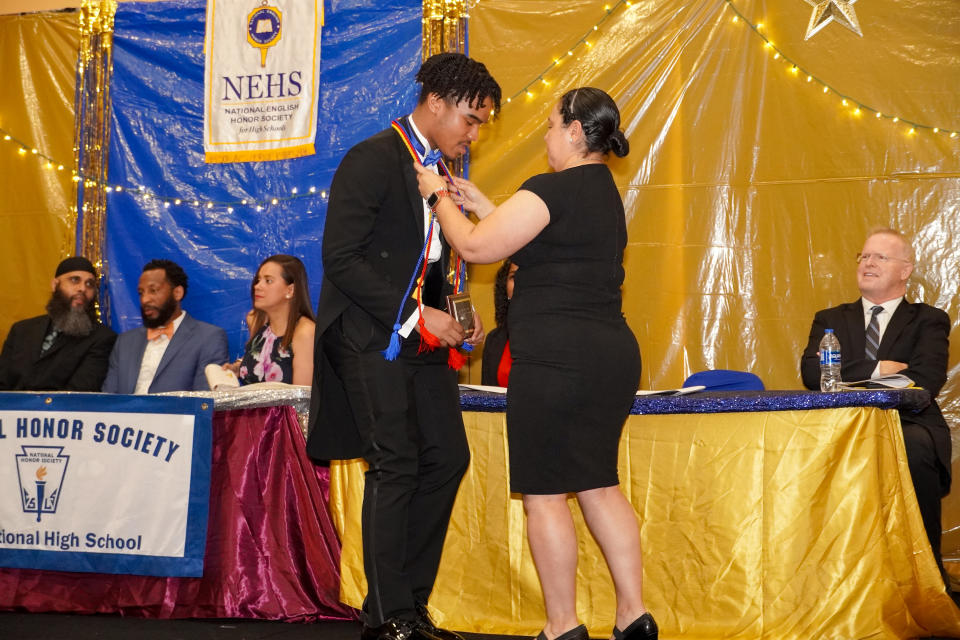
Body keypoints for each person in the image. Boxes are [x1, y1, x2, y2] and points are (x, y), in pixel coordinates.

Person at [415, 87, 655, 640]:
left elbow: (475, 248)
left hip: (554, 358)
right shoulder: (603, 193)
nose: (544, 137)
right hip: (610, 355)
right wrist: (481, 203)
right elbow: (544, 244)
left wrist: (438, 196)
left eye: (550, 126)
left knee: (545, 493)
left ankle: (561, 626)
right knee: (598, 483)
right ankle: (633, 615)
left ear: (574, 131)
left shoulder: (550, 188)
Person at [305, 53, 501, 640]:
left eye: (481, 124)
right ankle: (392, 615)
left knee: (447, 456)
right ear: (435, 103)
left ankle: (403, 606)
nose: (473, 133)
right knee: (396, 462)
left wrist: (457, 317)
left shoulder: (439, 174)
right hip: (370, 335)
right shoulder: (371, 158)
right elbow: (341, 259)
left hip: (421, 338)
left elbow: (431, 263)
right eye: (470, 119)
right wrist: (419, 315)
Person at [800, 228, 952, 590]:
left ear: (905, 270)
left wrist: (847, 373)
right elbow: (812, 374)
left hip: (908, 422)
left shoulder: (928, 319)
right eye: (864, 256)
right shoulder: (830, 319)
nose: (867, 263)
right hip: (839, 423)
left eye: (880, 257)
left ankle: (926, 582)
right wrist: (879, 368)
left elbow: (924, 380)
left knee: (913, 449)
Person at [102, 259, 228, 393]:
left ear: (177, 293)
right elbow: (108, 399)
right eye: (141, 293)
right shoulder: (125, 342)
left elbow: (203, 402)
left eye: (153, 290)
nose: (145, 299)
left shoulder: (209, 338)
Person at [0, 256, 116, 391]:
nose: (82, 289)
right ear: (55, 285)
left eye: (89, 284)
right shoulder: (21, 330)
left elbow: (79, 393)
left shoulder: (102, 338)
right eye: (74, 280)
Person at [222, 254, 316, 385]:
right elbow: (262, 358)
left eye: (268, 281)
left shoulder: (305, 332)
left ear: (290, 290)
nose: (257, 286)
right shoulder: (255, 320)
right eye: (258, 280)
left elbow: (302, 398)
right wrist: (237, 367)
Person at [480, 259, 517, 387]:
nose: (520, 282)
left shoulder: (556, 336)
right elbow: (486, 400)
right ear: (504, 286)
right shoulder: (493, 340)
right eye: (514, 277)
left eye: (528, 276)